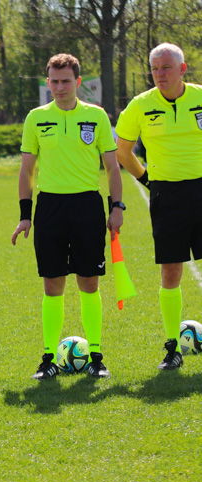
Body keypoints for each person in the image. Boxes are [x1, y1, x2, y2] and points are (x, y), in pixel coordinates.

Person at [12, 54, 123, 379]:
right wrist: (25, 215)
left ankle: (97, 357)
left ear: (77, 82)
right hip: (50, 208)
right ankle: (48, 359)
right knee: (52, 284)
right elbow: (27, 170)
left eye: (66, 80)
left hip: (88, 206)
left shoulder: (96, 116)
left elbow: (113, 167)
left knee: (89, 282)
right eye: (54, 81)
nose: (60, 87)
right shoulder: (36, 117)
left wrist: (116, 207)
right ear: (48, 83)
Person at [115, 43, 201, 370]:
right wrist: (147, 180)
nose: (160, 74)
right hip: (167, 196)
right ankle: (172, 348)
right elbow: (122, 152)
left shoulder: (200, 97)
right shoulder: (140, 106)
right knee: (171, 270)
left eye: (166, 68)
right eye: (154, 69)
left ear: (182, 69)